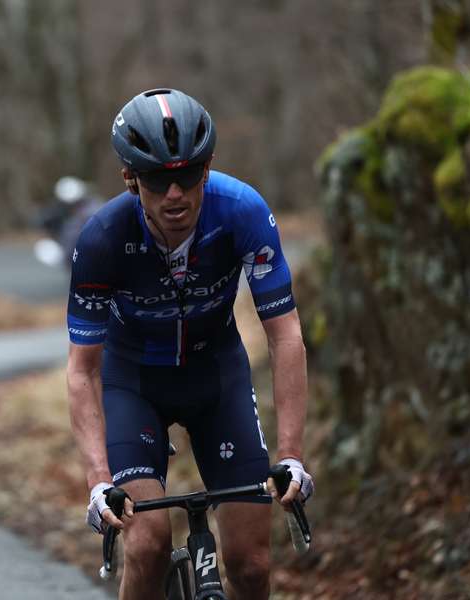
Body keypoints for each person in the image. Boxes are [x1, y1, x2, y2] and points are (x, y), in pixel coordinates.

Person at [67, 88, 314, 600]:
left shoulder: (242, 211)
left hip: (216, 375)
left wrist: (290, 453)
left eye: (187, 175)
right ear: (132, 179)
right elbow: (83, 370)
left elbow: (285, 333)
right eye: (158, 180)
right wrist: (97, 479)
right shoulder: (102, 239)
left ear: (207, 170)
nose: (174, 194)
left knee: (250, 565)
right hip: (133, 383)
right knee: (147, 546)